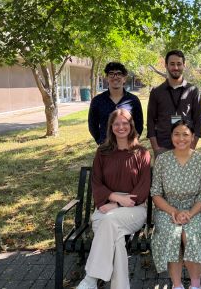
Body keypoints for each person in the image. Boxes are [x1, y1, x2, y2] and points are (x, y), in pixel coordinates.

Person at [77, 109, 151, 289]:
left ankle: (91, 279)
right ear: (111, 127)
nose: (121, 127)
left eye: (125, 123)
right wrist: (113, 197)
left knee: (109, 222)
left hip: (134, 209)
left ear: (131, 125)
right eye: (117, 123)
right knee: (116, 240)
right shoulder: (102, 152)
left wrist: (117, 204)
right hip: (106, 205)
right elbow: (96, 182)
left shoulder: (142, 153)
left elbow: (142, 189)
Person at [150, 120, 201, 289]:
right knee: (172, 233)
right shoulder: (162, 160)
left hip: (194, 211)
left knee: (191, 234)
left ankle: (195, 285)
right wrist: (173, 211)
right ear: (171, 136)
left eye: (185, 134)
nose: (181, 138)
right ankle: (177, 285)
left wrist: (189, 213)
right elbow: (156, 193)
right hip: (167, 210)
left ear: (193, 137)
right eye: (176, 134)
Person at [147, 50, 201, 156]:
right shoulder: (156, 92)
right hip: (162, 147)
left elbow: (198, 122)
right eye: (172, 64)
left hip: (186, 146)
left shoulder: (193, 91)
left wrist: (192, 146)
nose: (175, 67)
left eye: (179, 64)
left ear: (184, 65)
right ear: (166, 65)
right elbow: (150, 122)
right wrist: (156, 148)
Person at [88, 61, 143, 145]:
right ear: (106, 78)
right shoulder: (97, 100)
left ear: (124, 78)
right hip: (106, 147)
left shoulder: (133, 100)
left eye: (119, 74)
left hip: (128, 146)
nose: (115, 77)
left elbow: (139, 124)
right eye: (111, 74)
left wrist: (133, 141)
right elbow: (92, 125)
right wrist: (100, 141)